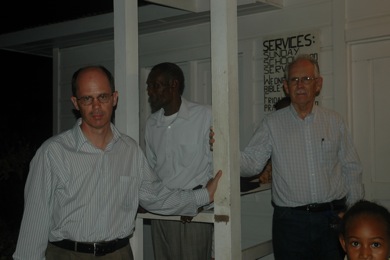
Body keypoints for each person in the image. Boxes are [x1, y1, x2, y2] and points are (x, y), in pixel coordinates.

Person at [13, 65, 222, 260]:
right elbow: (33, 226)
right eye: (87, 99)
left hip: (119, 254)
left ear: (114, 98)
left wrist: (204, 194)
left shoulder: (130, 150)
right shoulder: (52, 153)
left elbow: (156, 196)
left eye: (102, 97)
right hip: (69, 254)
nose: (96, 106)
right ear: (76, 103)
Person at [240, 54, 364, 259]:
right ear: (286, 86)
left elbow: (352, 168)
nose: (299, 85)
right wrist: (222, 150)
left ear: (318, 84)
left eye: (306, 79)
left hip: (332, 219)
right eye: (294, 80)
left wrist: (352, 215)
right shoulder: (271, 123)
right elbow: (252, 164)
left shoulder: (334, 121)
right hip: (290, 224)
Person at [144, 62, 214, 260]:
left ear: (173, 85)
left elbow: (216, 166)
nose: (150, 91)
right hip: (161, 214)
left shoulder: (204, 115)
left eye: (155, 85)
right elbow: (151, 170)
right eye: (149, 86)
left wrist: (200, 203)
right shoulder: (151, 124)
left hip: (194, 216)